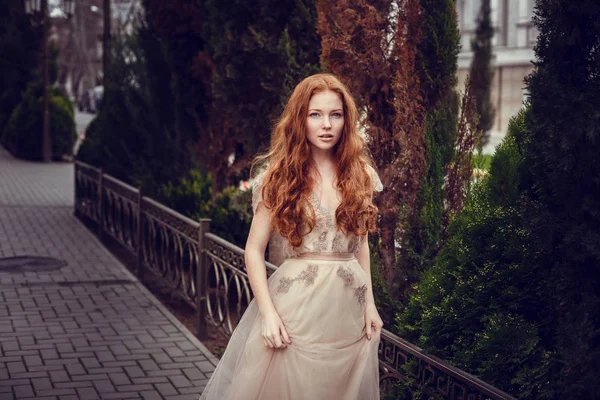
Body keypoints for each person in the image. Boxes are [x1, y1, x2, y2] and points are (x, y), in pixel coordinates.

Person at [199, 73, 384, 400]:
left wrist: (370, 304)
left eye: (335, 114)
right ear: (300, 119)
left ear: (346, 120)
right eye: (316, 114)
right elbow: (253, 251)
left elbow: (362, 243)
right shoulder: (279, 177)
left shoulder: (361, 174)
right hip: (297, 307)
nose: (326, 124)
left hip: (349, 310)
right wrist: (268, 314)